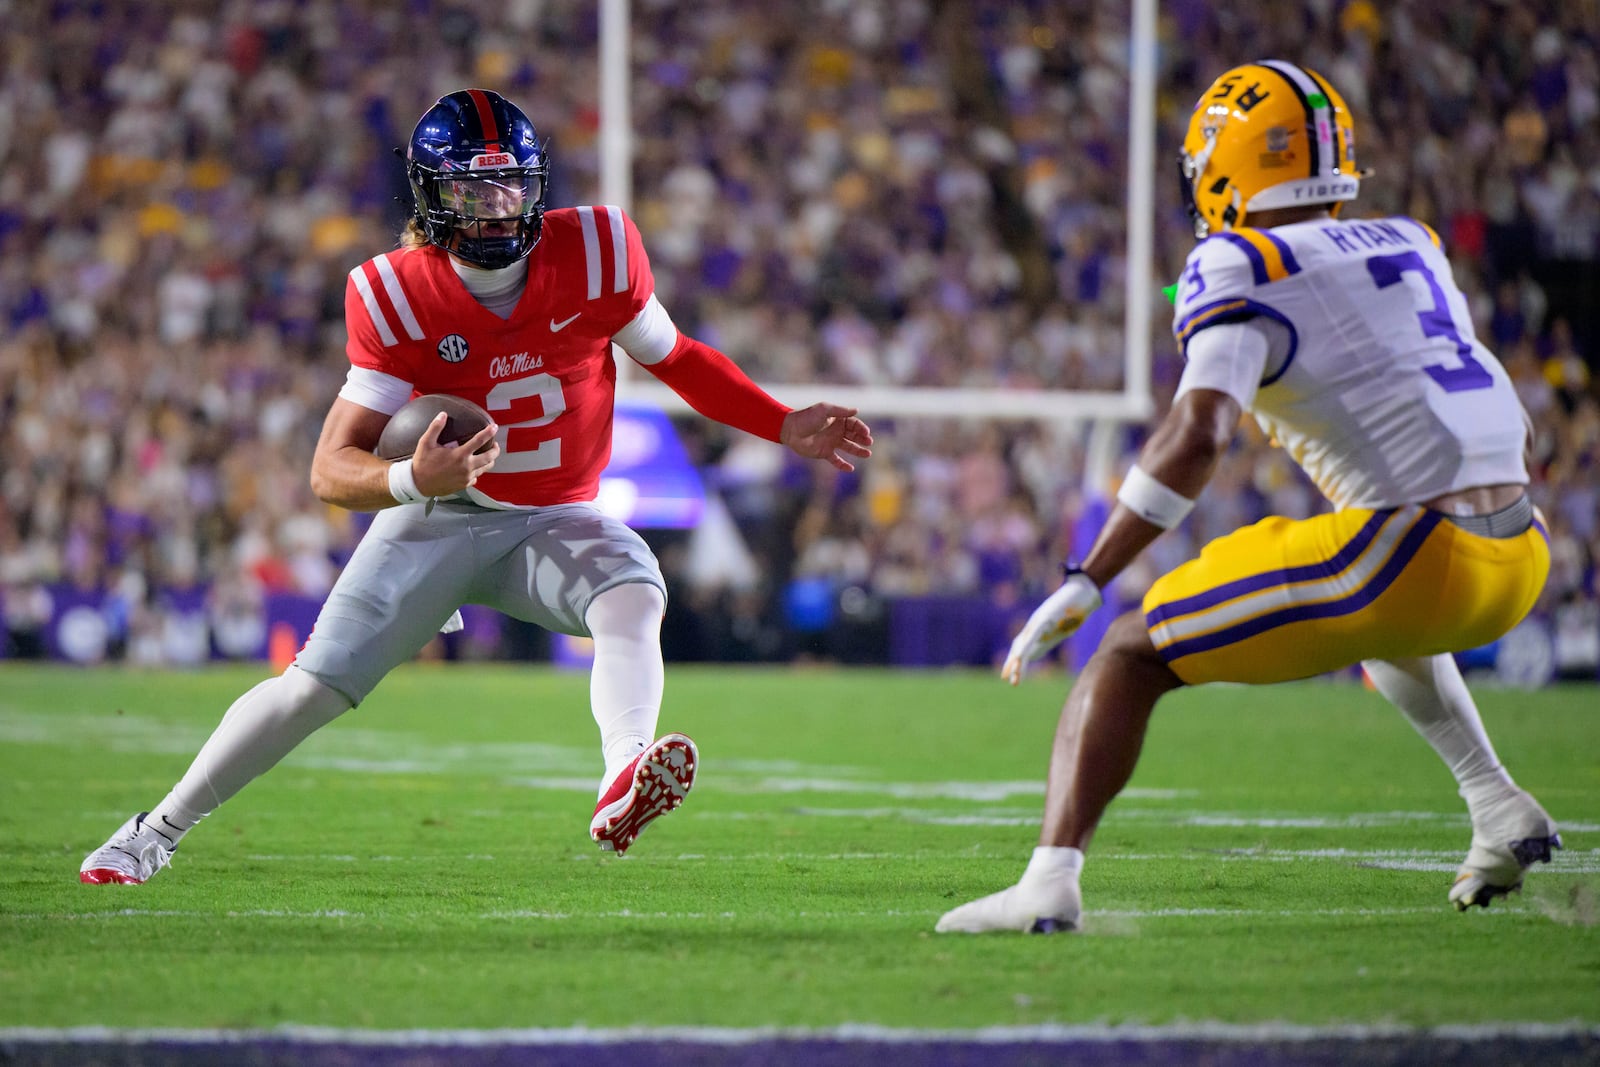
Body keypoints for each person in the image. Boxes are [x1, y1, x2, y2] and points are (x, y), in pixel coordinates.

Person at [80, 88, 873, 884]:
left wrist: (780, 422)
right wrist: (409, 476)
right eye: (471, 191)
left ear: (538, 186)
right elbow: (330, 467)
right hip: (442, 516)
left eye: (511, 187)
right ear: (431, 195)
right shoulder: (395, 293)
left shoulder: (598, 250)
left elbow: (677, 356)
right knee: (313, 690)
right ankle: (154, 829)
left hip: (557, 514)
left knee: (634, 593)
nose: (496, 209)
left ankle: (622, 775)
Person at [936, 60, 1561, 934]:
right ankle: (1498, 804)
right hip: (1521, 552)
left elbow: (1199, 432)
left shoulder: (1240, 256)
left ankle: (1047, 881)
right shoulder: (1412, 240)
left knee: (1127, 653)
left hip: (1415, 552)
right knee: (1382, 632)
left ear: (1229, 163)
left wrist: (1090, 571)